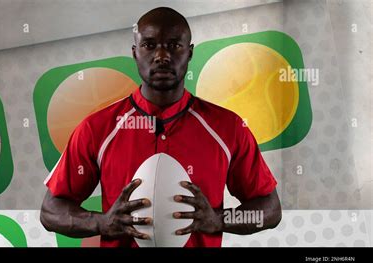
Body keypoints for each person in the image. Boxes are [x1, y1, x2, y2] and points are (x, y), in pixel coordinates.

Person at [40, 7, 281, 247]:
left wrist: (220, 219)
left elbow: (270, 210)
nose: (162, 56)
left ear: (190, 53)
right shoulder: (97, 128)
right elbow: (51, 211)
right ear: (135, 53)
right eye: (149, 45)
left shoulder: (228, 128)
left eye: (174, 45)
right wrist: (101, 223)